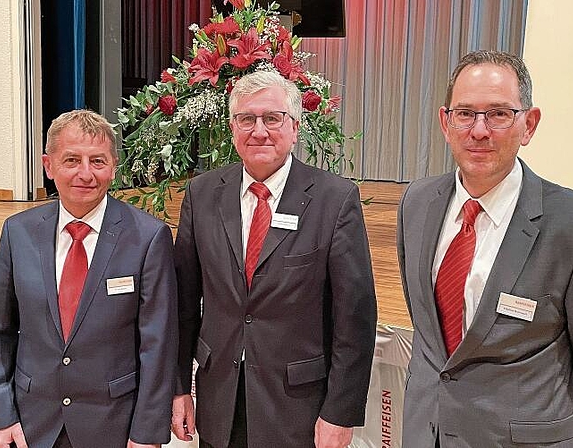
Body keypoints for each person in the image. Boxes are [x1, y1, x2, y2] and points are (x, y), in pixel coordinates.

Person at [171, 70, 377, 448]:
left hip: (298, 407)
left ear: (295, 127)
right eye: (246, 119)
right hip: (220, 399)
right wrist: (179, 387)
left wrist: (340, 412)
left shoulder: (335, 200)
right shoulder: (201, 195)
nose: (259, 130)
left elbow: (355, 318)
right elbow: (183, 304)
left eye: (272, 118)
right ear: (233, 129)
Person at [398, 50, 573, 446]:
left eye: (498, 114)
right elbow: (429, 335)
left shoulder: (566, 222)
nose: (479, 131)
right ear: (446, 123)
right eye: (465, 114)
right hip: (427, 431)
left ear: (528, 124)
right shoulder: (417, 203)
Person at [0, 110, 178, 448]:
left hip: (113, 425)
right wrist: (2, 415)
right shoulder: (18, 233)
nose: (85, 174)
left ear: (114, 166)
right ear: (48, 165)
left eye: (97, 161)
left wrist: (146, 432)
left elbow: (158, 345)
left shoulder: (148, 237)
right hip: (32, 424)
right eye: (71, 160)